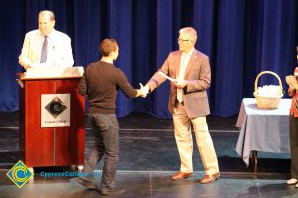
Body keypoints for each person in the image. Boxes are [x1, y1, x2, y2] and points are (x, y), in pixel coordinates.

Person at [142, 27, 220, 184]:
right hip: (178, 103)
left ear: (191, 41)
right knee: (182, 137)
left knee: (202, 138)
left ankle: (212, 171)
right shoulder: (173, 56)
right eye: (178, 38)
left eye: (181, 39)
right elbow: (161, 73)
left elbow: (206, 82)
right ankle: (186, 168)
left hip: (196, 105)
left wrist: (186, 83)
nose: (178, 41)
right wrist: (148, 87)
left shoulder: (202, 58)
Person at [77, 38, 146, 195]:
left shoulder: (90, 68)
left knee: (99, 146)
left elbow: (81, 91)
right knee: (112, 153)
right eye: (118, 51)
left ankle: (85, 176)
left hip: (92, 115)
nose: (118, 53)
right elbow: (130, 93)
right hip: (107, 117)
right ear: (113, 53)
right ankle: (107, 187)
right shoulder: (116, 73)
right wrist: (141, 92)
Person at [286, 66, 298, 187]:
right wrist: (292, 88)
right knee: (294, 144)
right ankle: (295, 175)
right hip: (295, 110)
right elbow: (292, 92)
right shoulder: (296, 70)